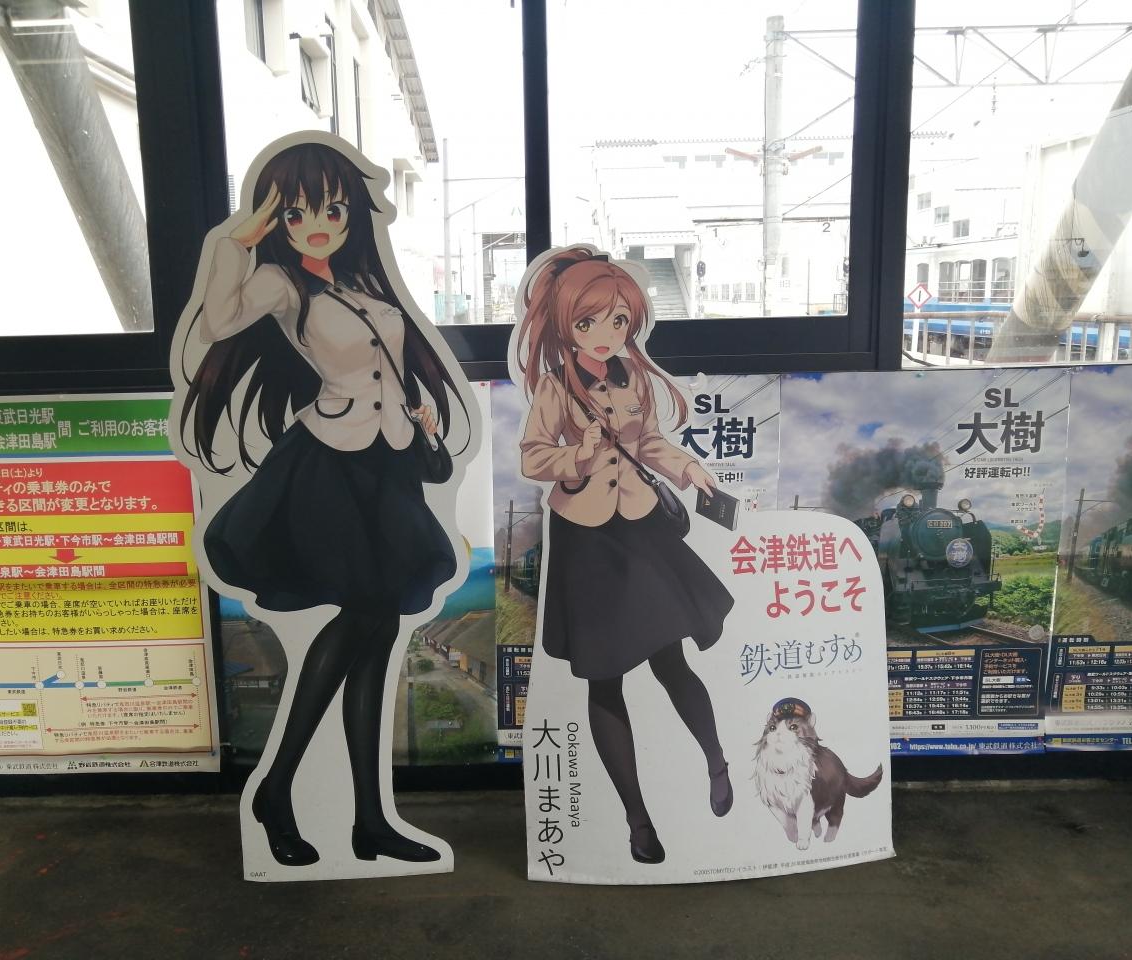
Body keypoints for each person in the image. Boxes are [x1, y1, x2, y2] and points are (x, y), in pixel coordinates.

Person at [178, 137, 469, 867]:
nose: (318, 225)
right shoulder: (281, 283)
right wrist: (235, 241)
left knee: (378, 627)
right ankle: (279, 789)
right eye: (299, 211)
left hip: (390, 459)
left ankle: (369, 821)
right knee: (366, 614)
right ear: (278, 217)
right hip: (330, 464)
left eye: (332, 210)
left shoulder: (362, 279)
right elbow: (216, 323)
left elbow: (389, 361)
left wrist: (417, 418)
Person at [516, 247, 735, 864]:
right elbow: (533, 457)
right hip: (586, 539)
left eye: (618, 321)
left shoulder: (633, 377)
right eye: (589, 322)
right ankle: (638, 822)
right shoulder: (555, 387)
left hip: (640, 528)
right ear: (565, 323)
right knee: (604, 677)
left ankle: (716, 761)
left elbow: (651, 442)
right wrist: (579, 456)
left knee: (671, 658)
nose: (606, 333)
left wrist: (690, 469)